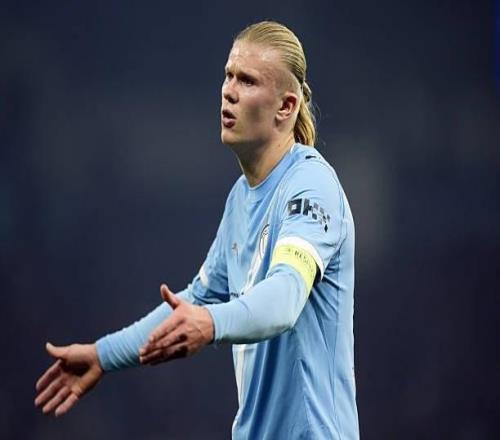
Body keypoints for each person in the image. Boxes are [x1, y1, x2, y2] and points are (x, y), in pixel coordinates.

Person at [34, 21, 360, 439]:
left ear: (286, 106)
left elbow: (285, 297)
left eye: (247, 81)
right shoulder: (241, 199)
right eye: (228, 76)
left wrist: (210, 323)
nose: (229, 91)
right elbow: (196, 299)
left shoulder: (311, 186)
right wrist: (103, 354)